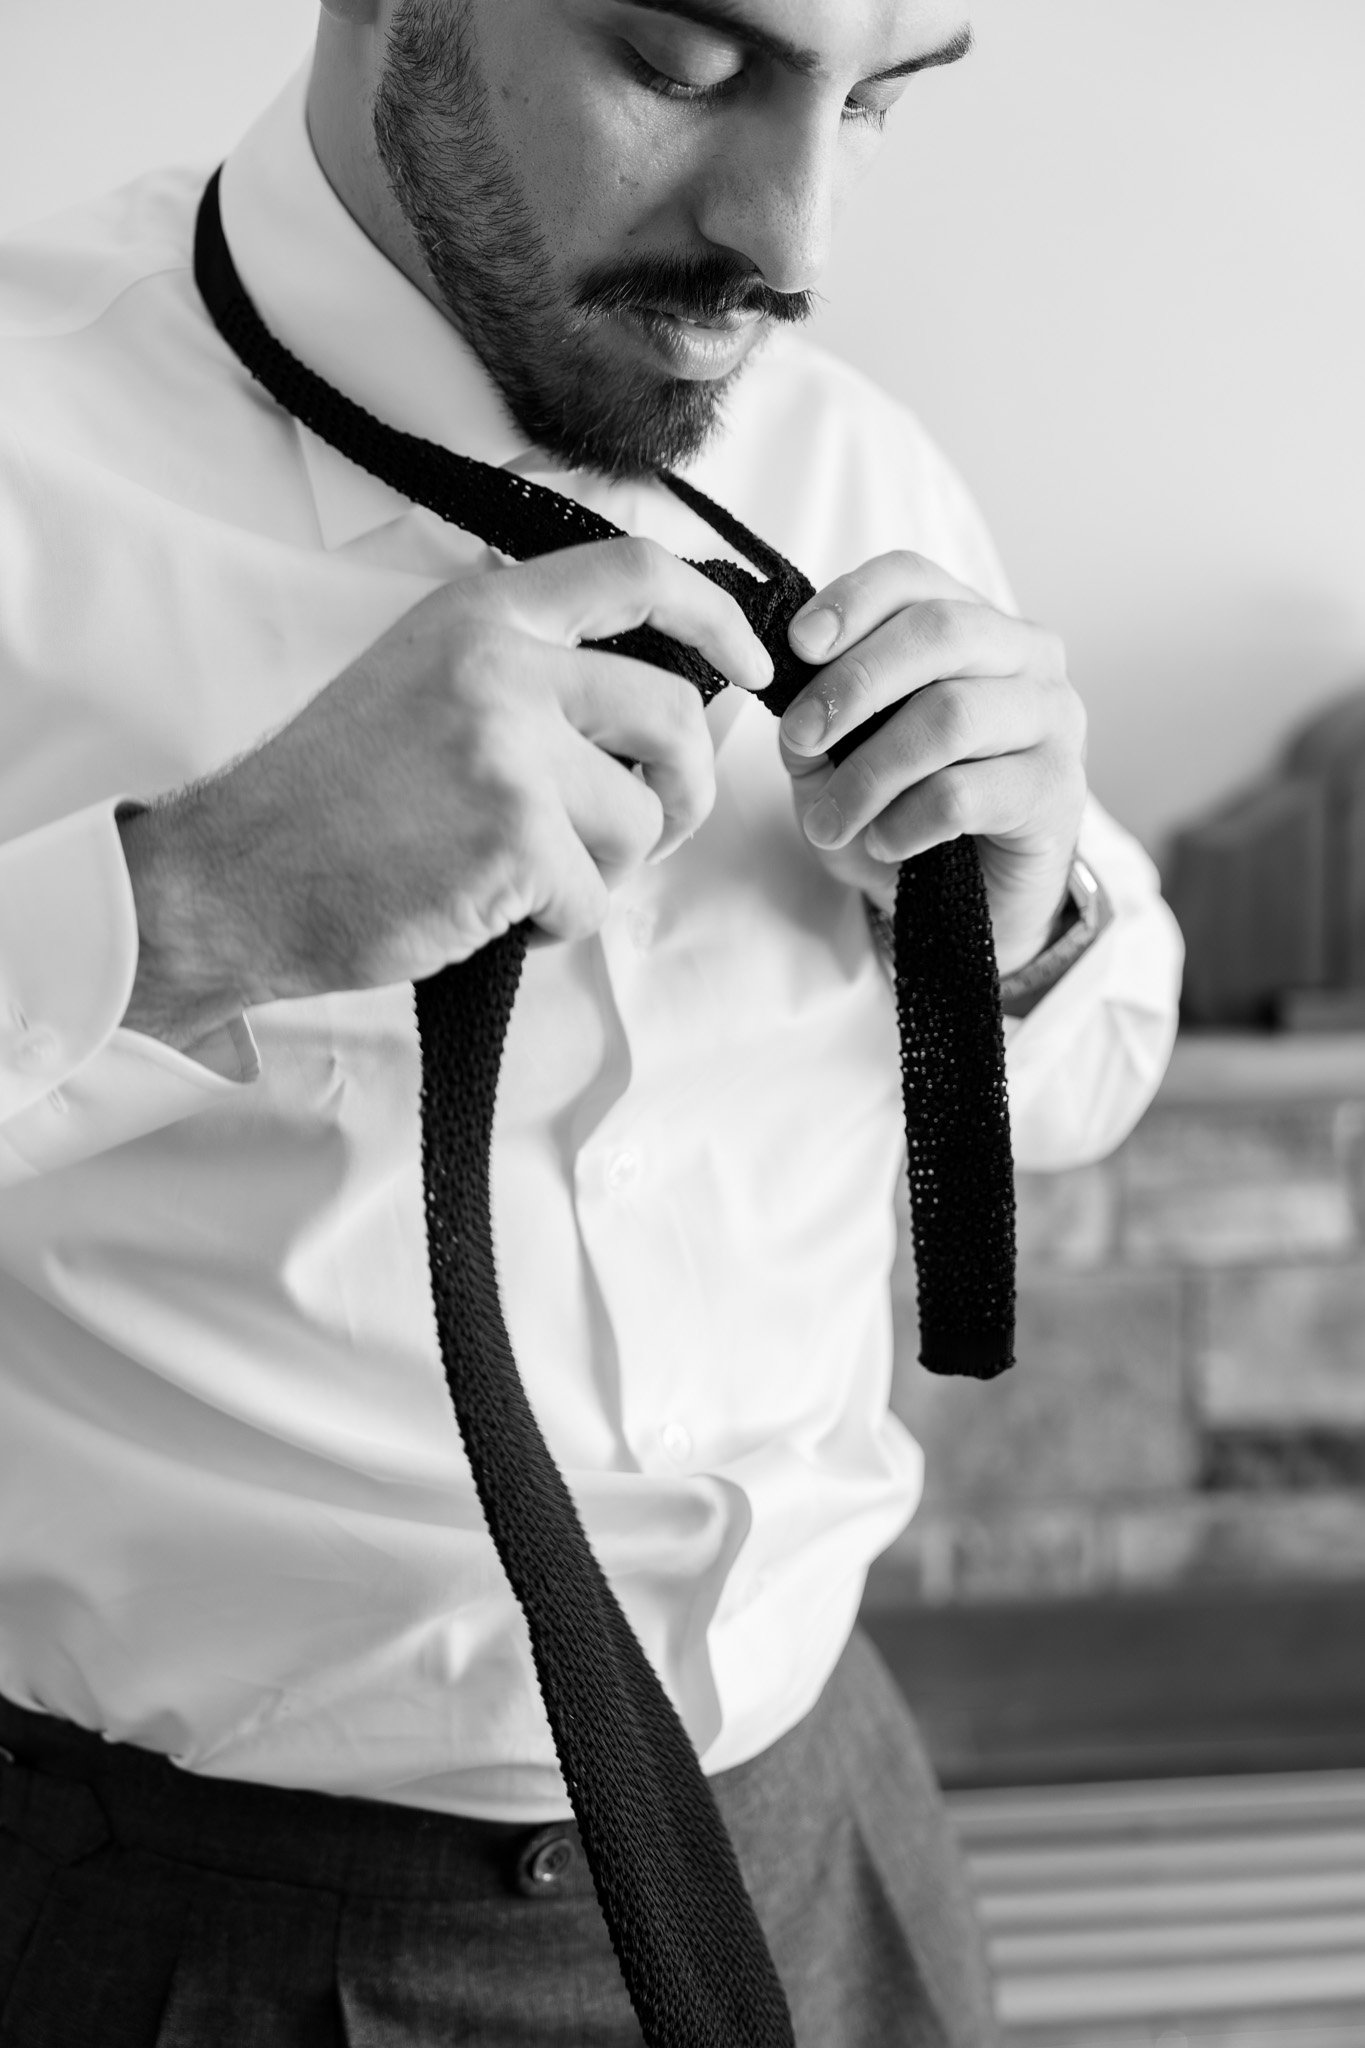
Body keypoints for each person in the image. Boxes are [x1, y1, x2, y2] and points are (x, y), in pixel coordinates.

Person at [0, 0, 1182, 2041]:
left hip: (826, 1850)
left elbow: (1088, 1069)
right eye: (680, 62)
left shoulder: (851, 457)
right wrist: (196, 904)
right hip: (217, 1939)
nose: (789, 234)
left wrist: (1016, 926)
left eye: (881, 95)